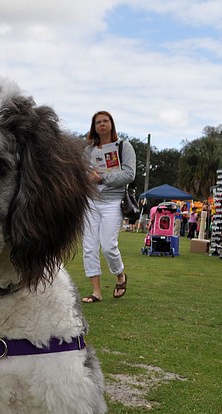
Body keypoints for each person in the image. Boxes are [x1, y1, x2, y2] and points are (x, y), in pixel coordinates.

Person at [81, 111, 135, 303]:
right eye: (98, 122)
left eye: (105, 121)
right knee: (89, 247)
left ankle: (120, 275)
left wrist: (103, 177)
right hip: (91, 202)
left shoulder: (124, 146)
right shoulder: (88, 151)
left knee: (109, 246)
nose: (102, 124)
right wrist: (88, 178)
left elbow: (129, 174)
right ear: (94, 127)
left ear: (111, 124)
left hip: (113, 201)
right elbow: (82, 174)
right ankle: (96, 292)